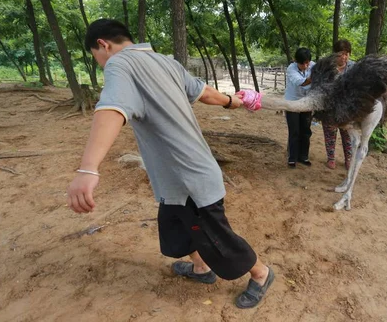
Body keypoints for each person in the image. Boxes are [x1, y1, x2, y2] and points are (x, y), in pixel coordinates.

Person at [67, 19, 274, 308]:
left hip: (191, 176)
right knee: (176, 225)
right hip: (174, 178)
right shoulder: (166, 62)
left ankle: (261, 273)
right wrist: (232, 102)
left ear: (103, 44)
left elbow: (112, 108)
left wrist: (88, 168)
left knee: (217, 238)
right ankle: (201, 269)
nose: (101, 63)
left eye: (96, 57)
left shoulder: (119, 63)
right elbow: (206, 93)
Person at [322, 39, 355, 170]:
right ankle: (331, 158)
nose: (344, 57)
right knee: (330, 132)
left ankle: (348, 159)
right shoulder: (326, 67)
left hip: (347, 108)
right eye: (341, 54)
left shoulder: (354, 67)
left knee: (347, 134)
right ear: (335, 54)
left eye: (346, 54)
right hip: (329, 107)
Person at [284, 47, 315, 168]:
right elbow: (302, 82)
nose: (306, 65)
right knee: (294, 131)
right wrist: (316, 77)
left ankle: (303, 156)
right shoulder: (291, 69)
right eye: (303, 63)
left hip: (306, 103)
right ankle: (292, 158)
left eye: (307, 62)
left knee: (306, 131)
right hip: (292, 103)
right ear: (296, 61)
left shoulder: (313, 65)